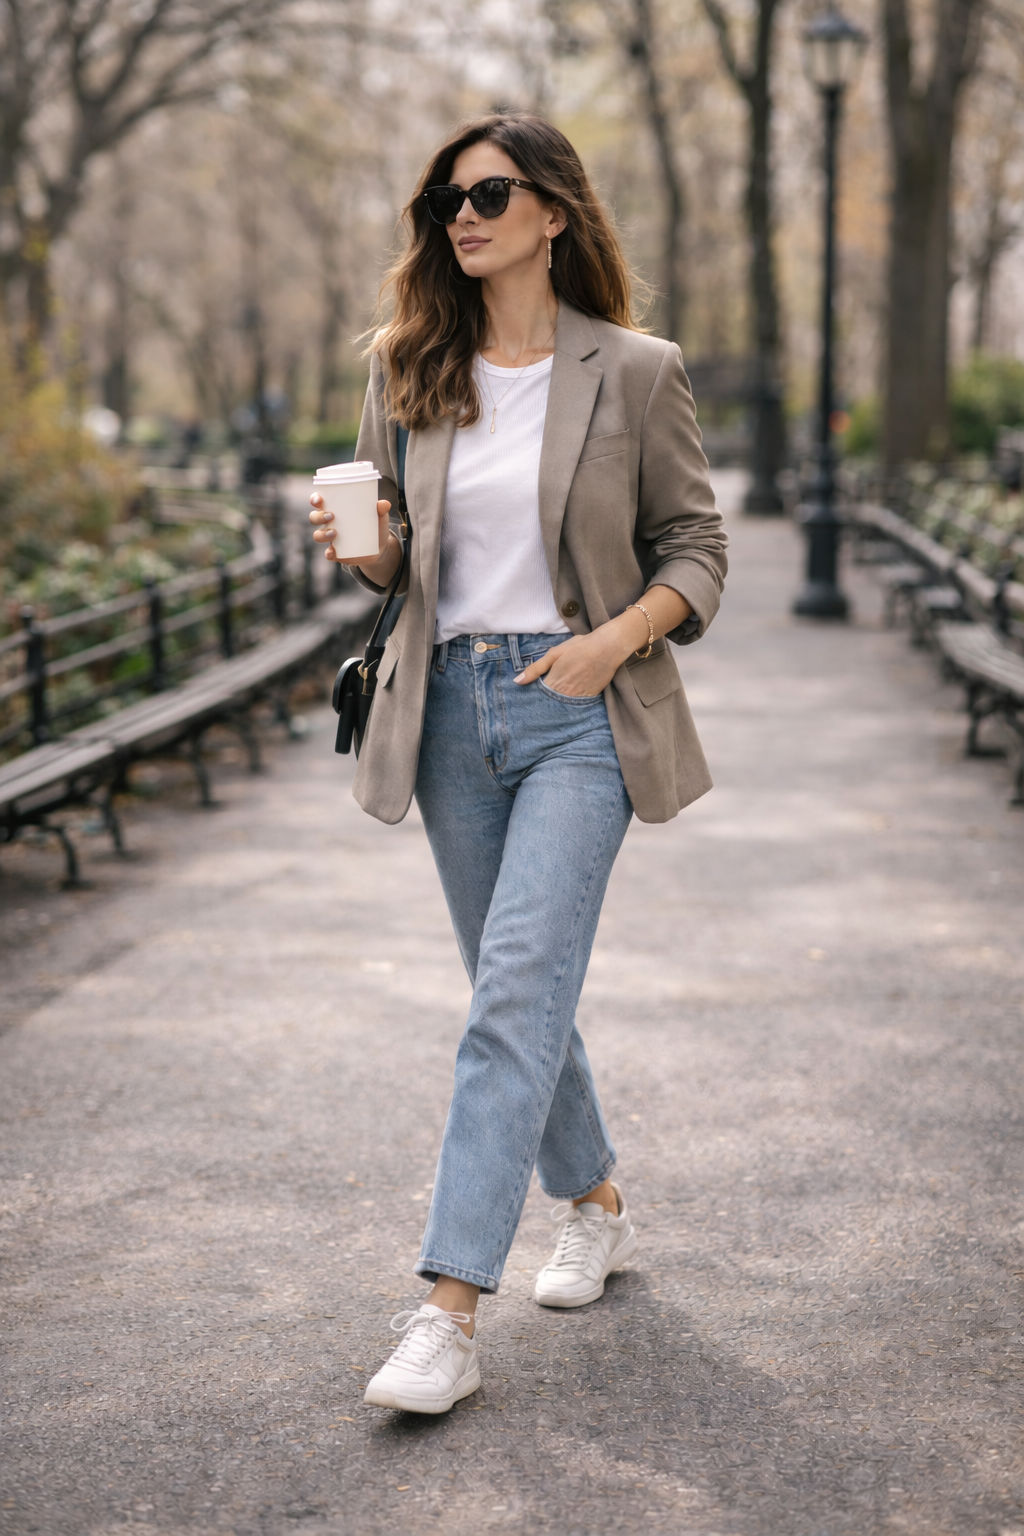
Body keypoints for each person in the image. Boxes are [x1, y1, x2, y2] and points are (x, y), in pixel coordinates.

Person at [309, 111, 727, 1415]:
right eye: (447, 201)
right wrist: (363, 544)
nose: (464, 218)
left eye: (490, 195)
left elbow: (698, 548)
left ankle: (447, 1312)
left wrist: (614, 640)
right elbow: (396, 564)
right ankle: (594, 1202)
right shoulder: (409, 363)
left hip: (578, 712)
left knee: (511, 998)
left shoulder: (636, 370)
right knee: (517, 990)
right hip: (446, 713)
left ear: (554, 210)